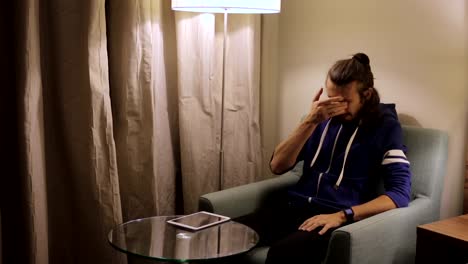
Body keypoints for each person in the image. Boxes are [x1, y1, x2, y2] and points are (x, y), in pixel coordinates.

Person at [258, 53, 412, 263]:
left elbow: (400, 194)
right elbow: (277, 166)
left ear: (366, 95)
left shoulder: (385, 126)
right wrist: (309, 122)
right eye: (332, 99)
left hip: (333, 217)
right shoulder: (320, 118)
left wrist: (343, 215)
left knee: (281, 254)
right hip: (295, 207)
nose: (337, 107)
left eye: (345, 101)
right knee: (227, 232)